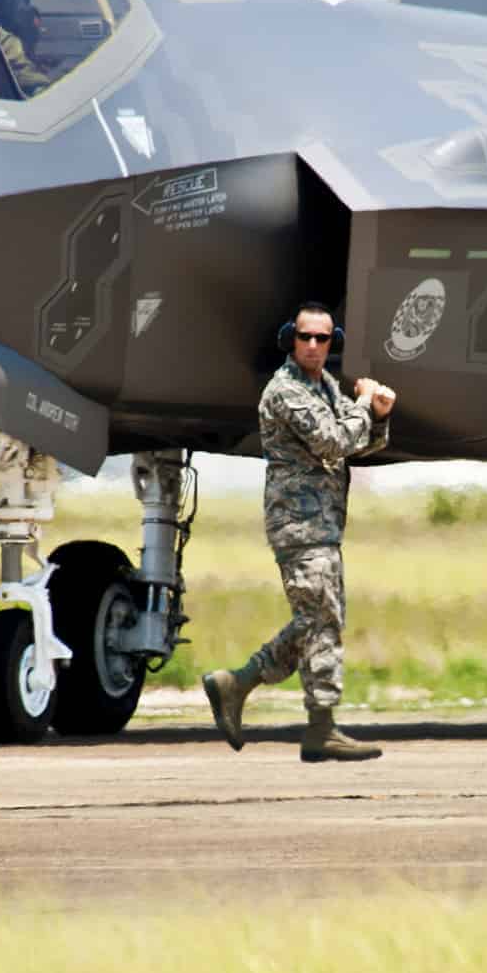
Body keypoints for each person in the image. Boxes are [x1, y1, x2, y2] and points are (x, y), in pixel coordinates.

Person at [202, 302, 396, 762]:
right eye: (305, 337)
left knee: (318, 619)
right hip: (299, 523)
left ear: (332, 344)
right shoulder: (286, 391)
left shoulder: (324, 385)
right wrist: (367, 404)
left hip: (322, 522)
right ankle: (319, 725)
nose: (312, 345)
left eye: (322, 339)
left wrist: (379, 415)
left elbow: (360, 439)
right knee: (321, 619)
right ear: (292, 339)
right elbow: (334, 440)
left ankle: (238, 684)